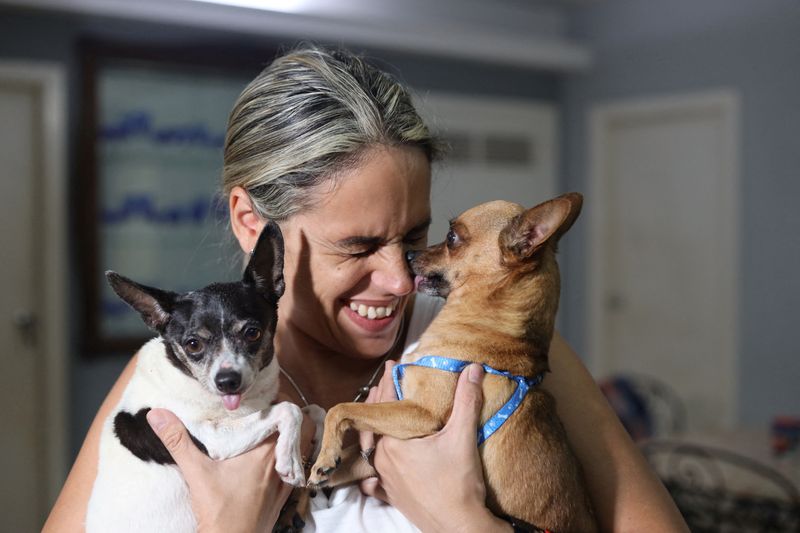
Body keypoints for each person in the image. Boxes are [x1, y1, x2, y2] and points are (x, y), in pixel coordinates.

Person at [44, 46, 688, 532]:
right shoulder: (171, 386)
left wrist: (464, 522)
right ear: (251, 223)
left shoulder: (489, 354)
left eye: (414, 237)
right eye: (355, 247)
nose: (400, 277)